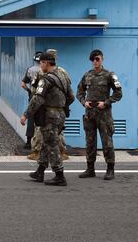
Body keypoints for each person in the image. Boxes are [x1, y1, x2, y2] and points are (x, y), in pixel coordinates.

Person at [20, 51, 75, 186]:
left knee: (52, 144)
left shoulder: (46, 79)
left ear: (46, 63)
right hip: (60, 115)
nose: (40, 66)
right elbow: (71, 97)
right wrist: (61, 107)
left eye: (41, 63)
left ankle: (59, 175)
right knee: (46, 142)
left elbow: (37, 99)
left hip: (49, 116)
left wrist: (26, 114)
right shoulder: (62, 76)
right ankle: (40, 171)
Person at [76, 49, 122, 180]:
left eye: (97, 59)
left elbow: (118, 93)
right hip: (90, 113)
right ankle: (90, 169)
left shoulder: (109, 75)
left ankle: (110, 169)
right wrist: (84, 102)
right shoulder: (87, 75)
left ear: (102, 59)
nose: (95, 62)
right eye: (93, 60)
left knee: (107, 142)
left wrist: (106, 102)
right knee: (90, 142)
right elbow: (79, 92)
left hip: (104, 114)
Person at [20, 52, 42, 156]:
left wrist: (29, 90)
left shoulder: (30, 70)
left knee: (31, 118)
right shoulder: (45, 70)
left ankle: (29, 142)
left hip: (32, 97)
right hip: (43, 98)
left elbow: (23, 84)